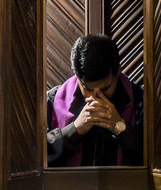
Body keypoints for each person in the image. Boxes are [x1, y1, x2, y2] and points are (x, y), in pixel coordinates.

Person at [45, 33, 144, 168]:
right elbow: (34, 160)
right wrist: (75, 129)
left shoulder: (139, 100)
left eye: (105, 89)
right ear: (77, 76)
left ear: (117, 72)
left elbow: (156, 158)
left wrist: (120, 127)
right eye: (87, 89)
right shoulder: (52, 100)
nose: (95, 96)